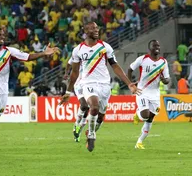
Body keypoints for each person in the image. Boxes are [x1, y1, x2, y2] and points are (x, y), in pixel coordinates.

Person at [60, 22, 140, 152]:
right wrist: (68, 92)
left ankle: (89, 131)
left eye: (97, 28)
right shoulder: (78, 50)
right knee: (93, 107)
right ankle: (91, 134)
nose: (96, 30)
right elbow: (74, 72)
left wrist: (129, 83)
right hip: (87, 83)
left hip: (104, 85)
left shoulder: (105, 47)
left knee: (101, 116)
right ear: (85, 30)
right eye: (92, 28)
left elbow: (115, 65)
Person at [0, 27, 58, 154]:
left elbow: (27, 57)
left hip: (3, 89)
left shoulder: (9, 51)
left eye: (3, 35)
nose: (2, 37)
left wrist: (43, 53)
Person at [128, 40, 170, 149]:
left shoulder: (163, 62)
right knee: (145, 115)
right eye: (155, 46)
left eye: (158, 46)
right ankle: (138, 113)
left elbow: (167, 79)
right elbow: (130, 69)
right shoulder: (142, 59)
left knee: (150, 118)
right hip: (142, 91)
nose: (157, 47)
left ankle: (139, 142)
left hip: (155, 94)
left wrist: (164, 80)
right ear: (149, 48)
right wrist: (131, 84)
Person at [64, 57, 89, 142]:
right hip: (78, 84)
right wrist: (66, 73)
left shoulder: (93, 55)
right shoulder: (78, 53)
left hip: (89, 84)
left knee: (88, 108)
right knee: (84, 105)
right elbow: (68, 63)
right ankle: (77, 124)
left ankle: (79, 130)